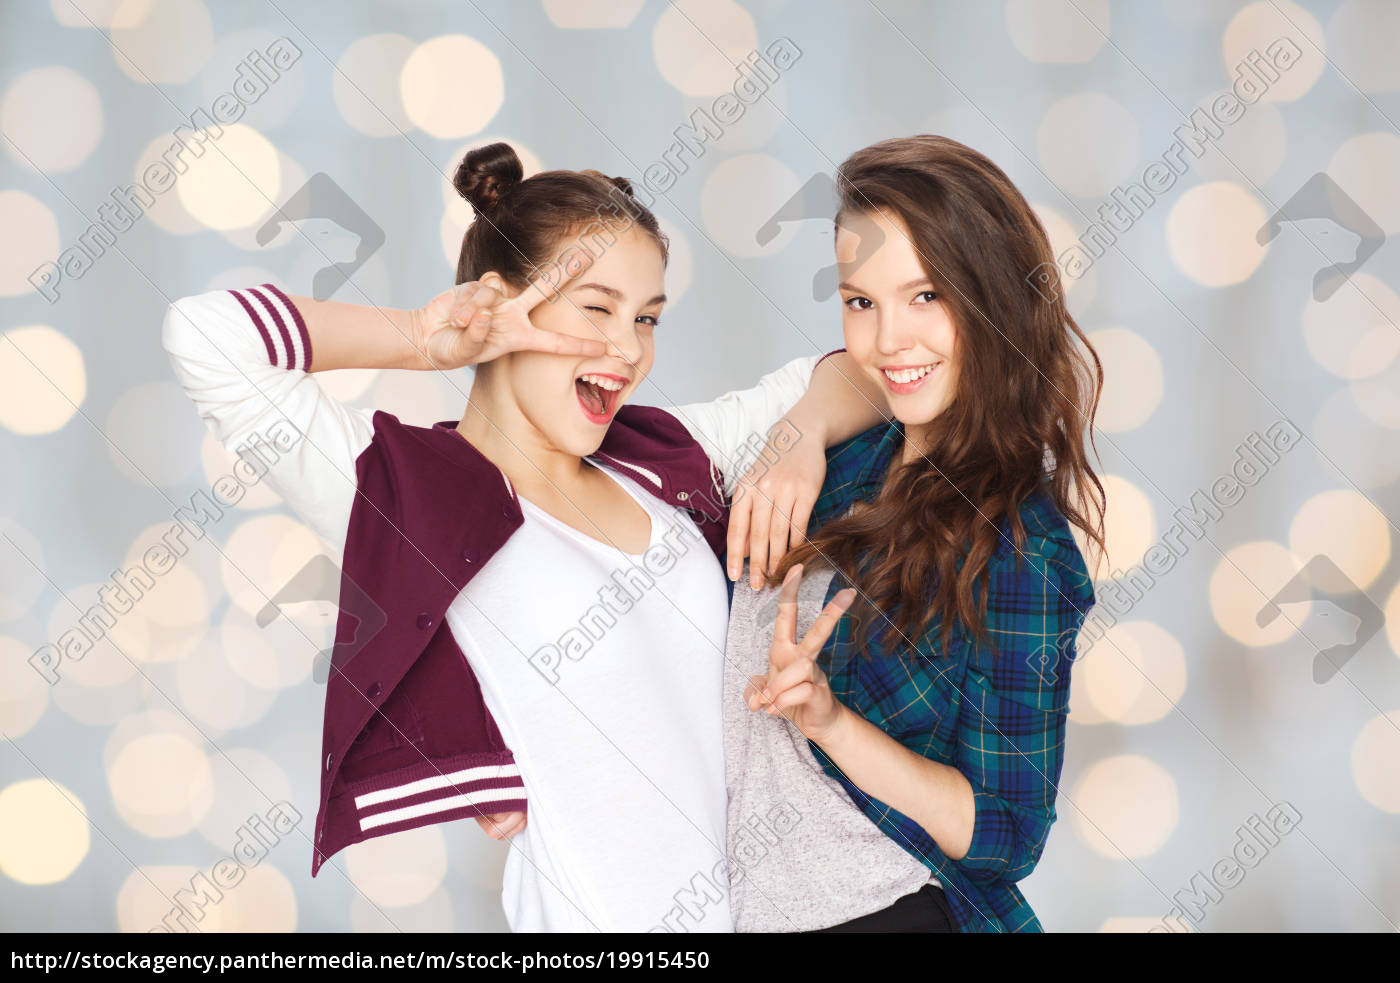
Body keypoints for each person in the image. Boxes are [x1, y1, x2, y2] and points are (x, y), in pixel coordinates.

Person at [162, 142, 884, 932]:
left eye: (646, 318)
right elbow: (206, 335)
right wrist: (419, 337)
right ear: (501, 306)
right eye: (597, 308)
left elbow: (867, 370)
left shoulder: (664, 456)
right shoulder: (404, 493)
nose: (629, 349)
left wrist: (798, 434)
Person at [723, 134, 1105, 933]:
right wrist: (798, 431)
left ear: (994, 297)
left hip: (892, 911)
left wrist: (830, 720)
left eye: (925, 295)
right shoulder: (847, 461)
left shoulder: (1023, 545)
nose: (889, 338)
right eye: (862, 301)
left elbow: (1007, 832)